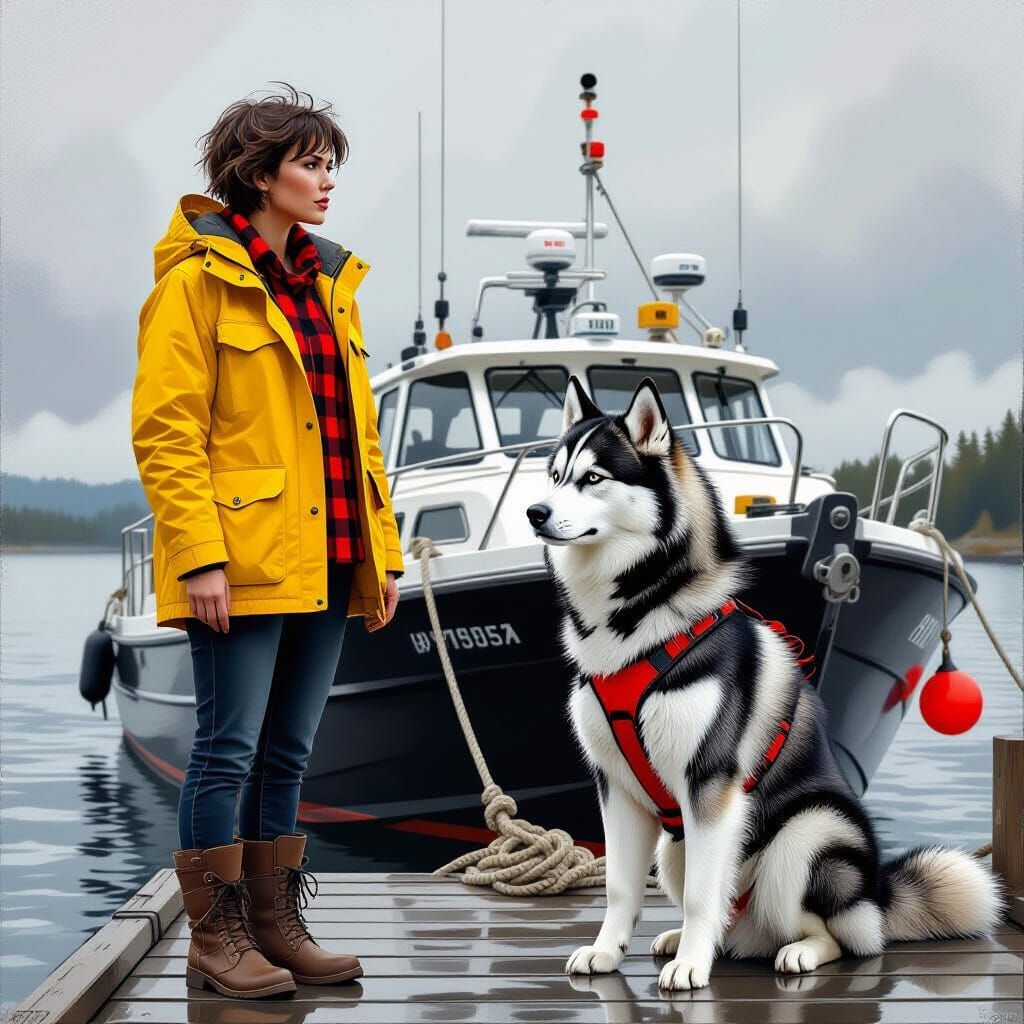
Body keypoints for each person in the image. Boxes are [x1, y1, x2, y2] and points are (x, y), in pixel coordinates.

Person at [131, 83, 405, 1000]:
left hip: (327, 554)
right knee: (227, 747)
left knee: (289, 750)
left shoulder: (331, 284)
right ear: (259, 173)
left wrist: (383, 554)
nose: (327, 182)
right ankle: (217, 940)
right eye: (310, 164)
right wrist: (201, 552)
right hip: (239, 557)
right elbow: (169, 432)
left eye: (331, 165)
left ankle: (278, 927)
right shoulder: (194, 284)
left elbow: (356, 435)